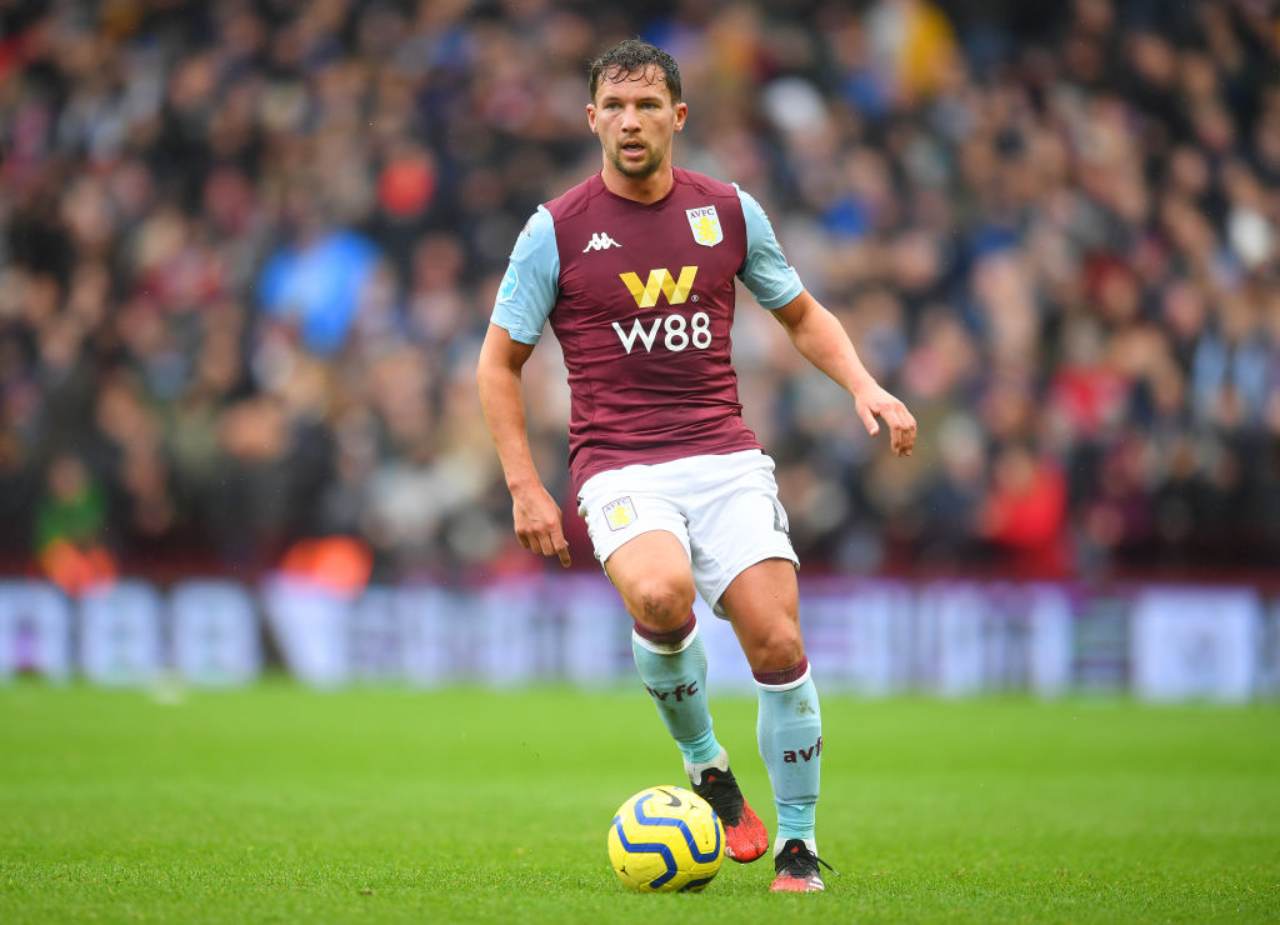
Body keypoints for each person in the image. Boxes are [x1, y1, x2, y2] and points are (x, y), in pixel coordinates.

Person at [476, 38, 917, 893]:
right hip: (620, 465)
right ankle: (705, 762)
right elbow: (498, 363)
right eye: (616, 105)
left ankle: (795, 841)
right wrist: (525, 486)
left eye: (648, 105)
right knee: (659, 594)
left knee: (779, 641)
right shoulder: (554, 231)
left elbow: (799, 313)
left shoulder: (729, 212)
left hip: (725, 458)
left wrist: (866, 385)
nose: (631, 121)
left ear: (678, 117)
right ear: (591, 117)